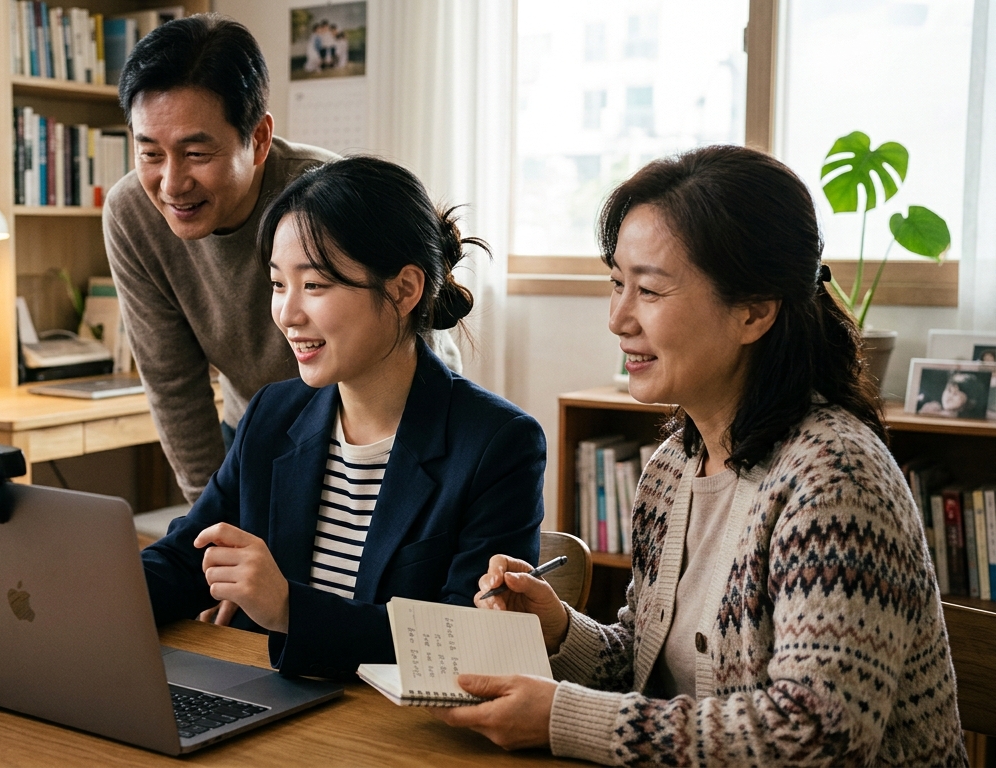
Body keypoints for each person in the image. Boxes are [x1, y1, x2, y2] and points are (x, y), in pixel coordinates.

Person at [433, 145, 966, 764]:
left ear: (754, 311)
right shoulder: (672, 468)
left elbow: (818, 737)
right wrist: (558, 629)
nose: (618, 318)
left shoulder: (836, 481)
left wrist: (561, 717)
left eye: (649, 290)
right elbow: (647, 668)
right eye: (617, 283)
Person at [141, 156, 546, 678]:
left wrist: (289, 609)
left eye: (314, 285)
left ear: (404, 289)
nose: (288, 314)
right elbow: (186, 558)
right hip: (262, 695)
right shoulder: (272, 414)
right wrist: (79, 594)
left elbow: (466, 640)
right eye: (278, 284)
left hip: (390, 721)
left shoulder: (498, 444)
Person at [106, 14, 461, 505]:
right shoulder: (132, 214)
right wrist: (213, 517)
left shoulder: (326, 197)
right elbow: (172, 383)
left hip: (381, 425)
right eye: (150, 153)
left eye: (196, 153)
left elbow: (412, 339)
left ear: (258, 138)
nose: (172, 183)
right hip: (257, 430)